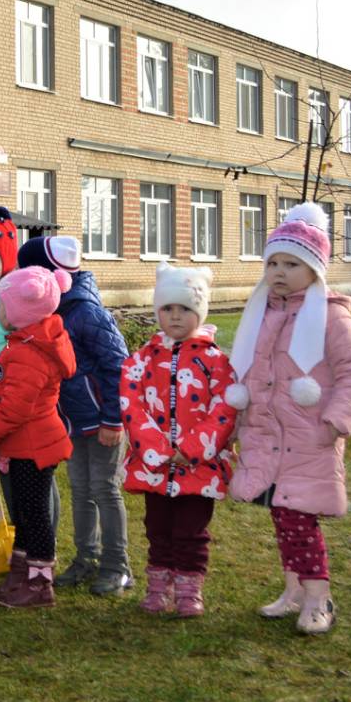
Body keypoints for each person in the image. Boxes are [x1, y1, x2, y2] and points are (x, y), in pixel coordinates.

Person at [226, 203, 351, 635]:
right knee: (282, 515)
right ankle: (293, 590)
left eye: (292, 263)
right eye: (273, 262)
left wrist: (335, 421)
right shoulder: (263, 314)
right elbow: (249, 370)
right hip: (268, 434)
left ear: (314, 268)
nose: (280, 271)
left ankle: (318, 597)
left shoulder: (331, 315)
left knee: (299, 520)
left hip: (309, 437)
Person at [121, 262, 237, 617]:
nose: (175, 316)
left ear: (199, 312)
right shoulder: (142, 359)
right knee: (157, 529)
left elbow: (224, 408)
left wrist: (192, 449)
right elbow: (131, 401)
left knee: (191, 531)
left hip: (197, 467)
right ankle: (158, 588)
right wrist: (155, 448)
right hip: (154, 466)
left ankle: (189, 591)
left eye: (185, 308)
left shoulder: (215, 362)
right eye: (167, 308)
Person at [18, 235, 132, 596]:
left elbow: (118, 366)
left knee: (105, 489)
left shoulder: (86, 312)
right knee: (81, 490)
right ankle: (86, 559)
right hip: (74, 421)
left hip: (102, 422)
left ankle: (118, 565)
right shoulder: (54, 312)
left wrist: (113, 419)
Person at [0, 265, 76, 609]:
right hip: (24, 444)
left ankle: (39, 584)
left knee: (34, 515)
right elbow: (8, 373)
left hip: (32, 446)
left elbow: (14, 408)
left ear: (19, 313)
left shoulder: (29, 351)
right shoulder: (28, 341)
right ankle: (21, 573)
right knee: (25, 514)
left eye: (3, 306)